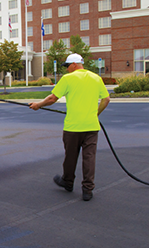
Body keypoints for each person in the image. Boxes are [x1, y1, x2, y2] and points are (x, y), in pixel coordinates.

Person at [29, 53, 110, 201]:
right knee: (89, 158)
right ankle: (87, 190)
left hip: (73, 127)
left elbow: (53, 98)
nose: (66, 69)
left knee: (70, 157)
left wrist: (38, 105)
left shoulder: (68, 79)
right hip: (92, 126)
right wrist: (95, 114)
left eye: (67, 66)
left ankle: (68, 182)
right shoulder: (96, 78)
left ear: (74, 64)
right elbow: (106, 99)